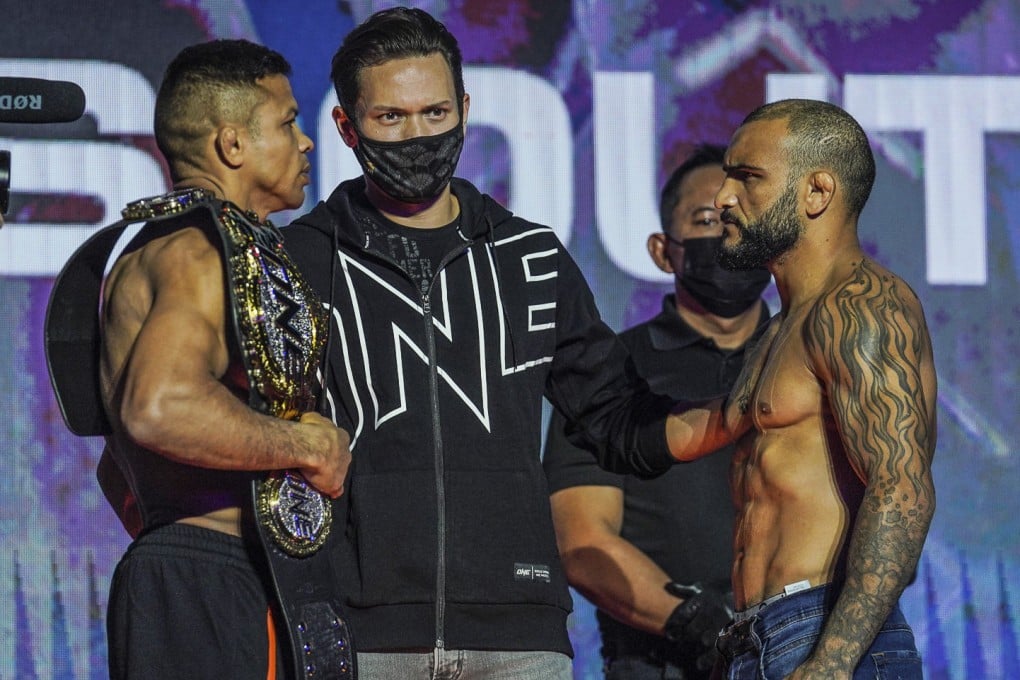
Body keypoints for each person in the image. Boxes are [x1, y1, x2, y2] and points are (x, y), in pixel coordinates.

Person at [282, 7, 680, 679]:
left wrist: (729, 415)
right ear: (347, 127)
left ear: (465, 109)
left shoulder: (531, 256)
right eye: (391, 118)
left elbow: (614, 416)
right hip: (359, 632)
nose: (417, 135)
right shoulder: (297, 260)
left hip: (518, 633)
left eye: (435, 114)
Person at [45, 40, 353, 679]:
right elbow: (160, 408)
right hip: (210, 581)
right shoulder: (195, 250)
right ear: (233, 145)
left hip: (211, 574)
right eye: (287, 122)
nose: (306, 143)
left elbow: (117, 468)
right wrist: (306, 449)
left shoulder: (197, 247)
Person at [664, 99, 937, 679]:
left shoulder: (863, 307)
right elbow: (698, 431)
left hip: (823, 632)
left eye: (748, 178)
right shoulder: (779, 328)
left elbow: (900, 488)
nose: (723, 198)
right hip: (755, 638)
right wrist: (579, 376)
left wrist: (833, 661)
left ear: (816, 193)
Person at [543, 143, 771, 680]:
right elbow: (582, 541)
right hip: (660, 661)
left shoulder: (810, 358)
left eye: (744, 218)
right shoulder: (609, 370)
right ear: (663, 250)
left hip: (804, 656)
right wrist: (701, 626)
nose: (727, 235)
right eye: (707, 219)